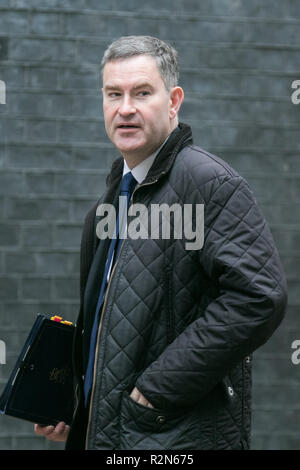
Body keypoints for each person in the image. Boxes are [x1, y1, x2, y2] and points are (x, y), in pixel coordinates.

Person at [35, 35, 287, 450]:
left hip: (171, 439)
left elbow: (260, 297)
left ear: (173, 101)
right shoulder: (111, 200)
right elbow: (108, 326)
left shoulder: (209, 184)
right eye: (113, 94)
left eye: (142, 93)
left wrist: (155, 393)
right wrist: (75, 400)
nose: (125, 108)